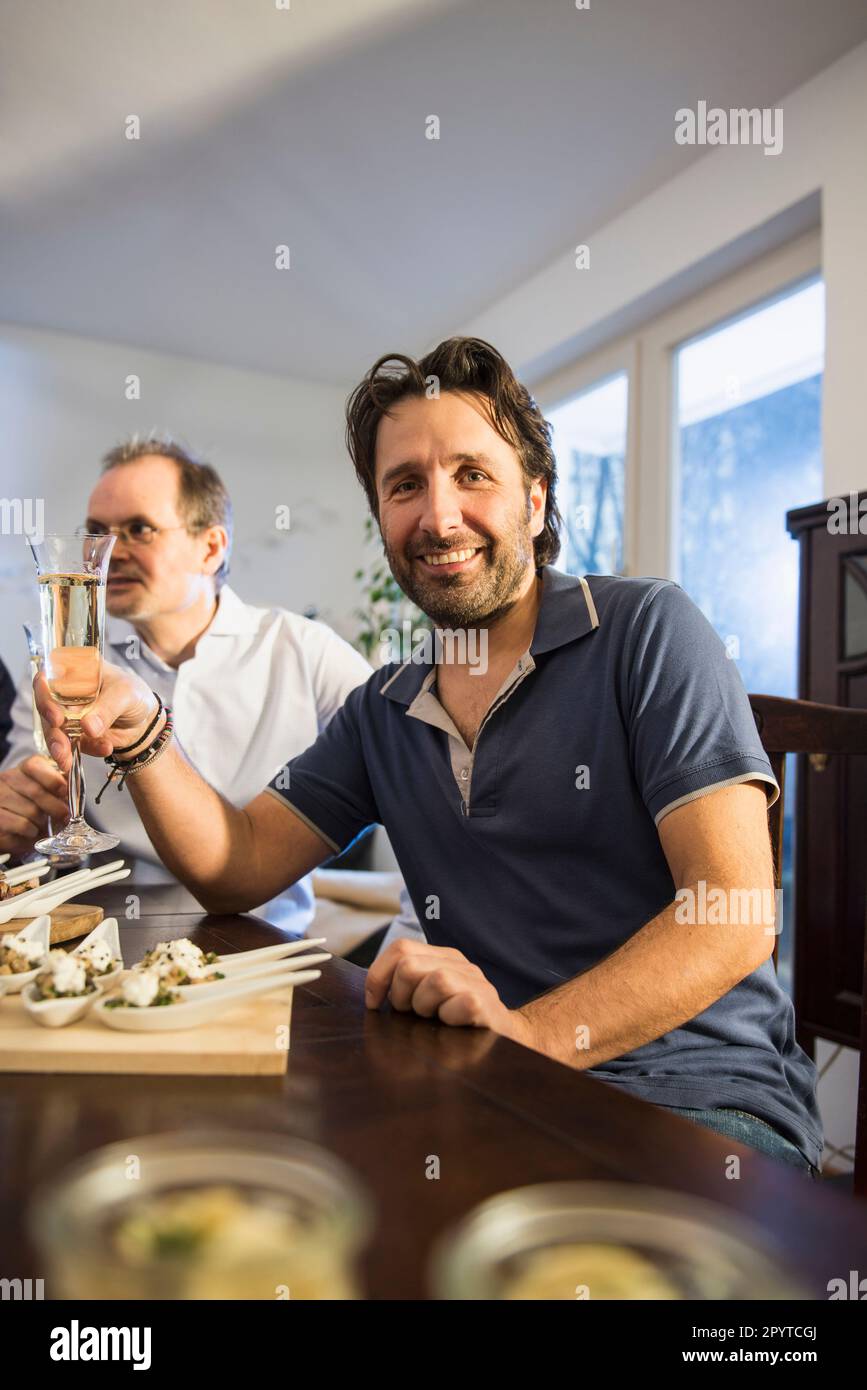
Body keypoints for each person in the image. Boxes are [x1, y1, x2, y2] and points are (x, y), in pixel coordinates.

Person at [35, 340, 823, 1175]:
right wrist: (143, 733)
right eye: (405, 484)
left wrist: (530, 1035)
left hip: (698, 1106)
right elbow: (237, 868)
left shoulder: (647, 630)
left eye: (472, 474)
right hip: (493, 1084)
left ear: (535, 497)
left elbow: (733, 913)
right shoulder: (385, 707)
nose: (438, 517)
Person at [2, 436, 371, 932]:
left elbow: (400, 761)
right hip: (103, 947)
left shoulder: (305, 651)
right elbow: (23, 815)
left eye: (138, 529)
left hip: (263, 949)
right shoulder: (65, 667)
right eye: (96, 532)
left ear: (211, 547)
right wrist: (17, 817)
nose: (109, 554)